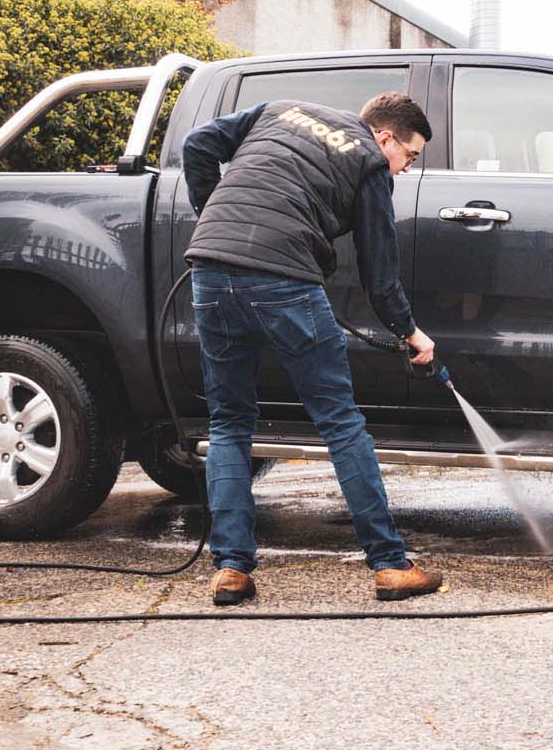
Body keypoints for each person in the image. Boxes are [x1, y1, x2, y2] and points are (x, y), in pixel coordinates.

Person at [181, 91, 444, 606]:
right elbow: (379, 272)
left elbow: (197, 145)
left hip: (210, 271)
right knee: (340, 422)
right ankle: (390, 565)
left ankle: (231, 570)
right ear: (385, 136)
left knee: (229, 422)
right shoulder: (369, 162)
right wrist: (410, 333)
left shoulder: (278, 109)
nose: (405, 169)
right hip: (284, 283)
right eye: (408, 157)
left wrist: (213, 215)